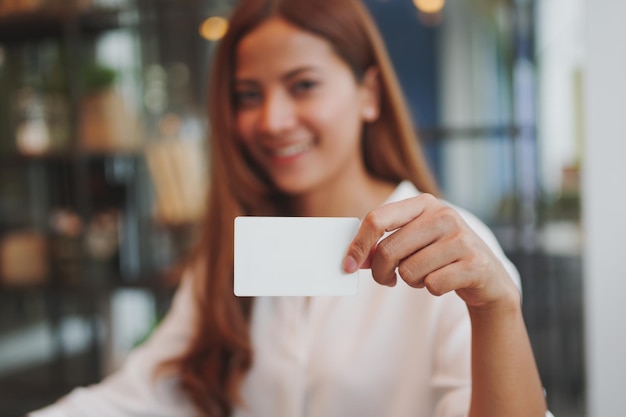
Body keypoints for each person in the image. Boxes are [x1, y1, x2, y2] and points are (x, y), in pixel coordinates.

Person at [30, 0, 551, 416]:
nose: (273, 119)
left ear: (369, 94)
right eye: (248, 95)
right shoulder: (236, 252)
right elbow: (137, 397)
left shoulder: (446, 251)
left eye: (303, 85)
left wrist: (496, 310)